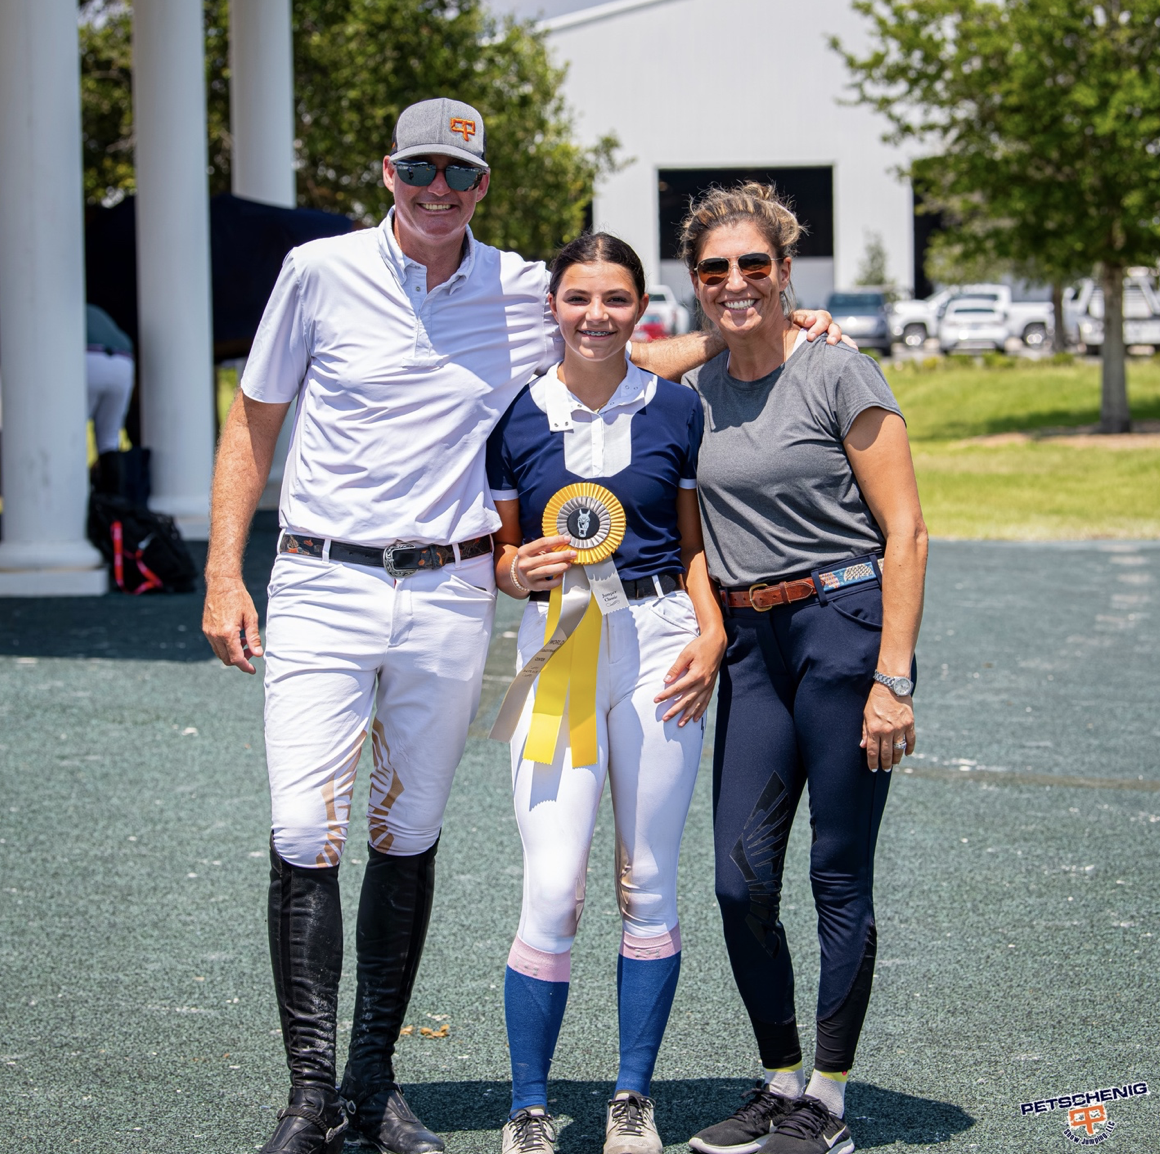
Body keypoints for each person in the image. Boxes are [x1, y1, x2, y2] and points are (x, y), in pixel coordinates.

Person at [201, 101, 846, 1154]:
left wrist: (770, 324)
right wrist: (224, 570)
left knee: (405, 834)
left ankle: (374, 1085)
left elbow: (610, 341)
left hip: (455, 592)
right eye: (421, 168)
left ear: (482, 185)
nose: (438, 189)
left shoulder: (516, 286)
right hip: (322, 579)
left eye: (459, 174)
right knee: (301, 831)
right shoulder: (316, 271)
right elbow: (253, 419)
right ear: (388, 170)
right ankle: (310, 1095)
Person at [677, 185, 928, 1154]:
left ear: (785, 271)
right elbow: (604, 353)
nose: (735, 282)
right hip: (748, 646)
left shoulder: (839, 371)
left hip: (841, 627)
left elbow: (902, 528)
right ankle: (777, 1080)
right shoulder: (691, 391)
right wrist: (721, 338)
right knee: (739, 880)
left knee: (834, 870)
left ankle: (826, 1099)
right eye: (714, 270)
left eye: (753, 266)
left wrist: (891, 677)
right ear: (694, 283)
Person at [487, 234, 724, 1154]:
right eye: (579, 298)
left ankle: (632, 1097)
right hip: (560, 641)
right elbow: (502, 553)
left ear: (640, 307)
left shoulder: (676, 409)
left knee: (650, 878)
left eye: (616, 300)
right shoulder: (514, 414)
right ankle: (529, 1105)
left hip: (663, 643)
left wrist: (710, 633)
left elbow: (694, 540)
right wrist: (515, 570)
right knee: (553, 887)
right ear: (554, 305)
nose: (596, 316)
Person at [85, 304, 135, 495]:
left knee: (69, 436)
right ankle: (114, 509)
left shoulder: (56, 312)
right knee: (108, 439)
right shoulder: (95, 312)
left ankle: (72, 509)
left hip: (88, 356)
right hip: (124, 362)